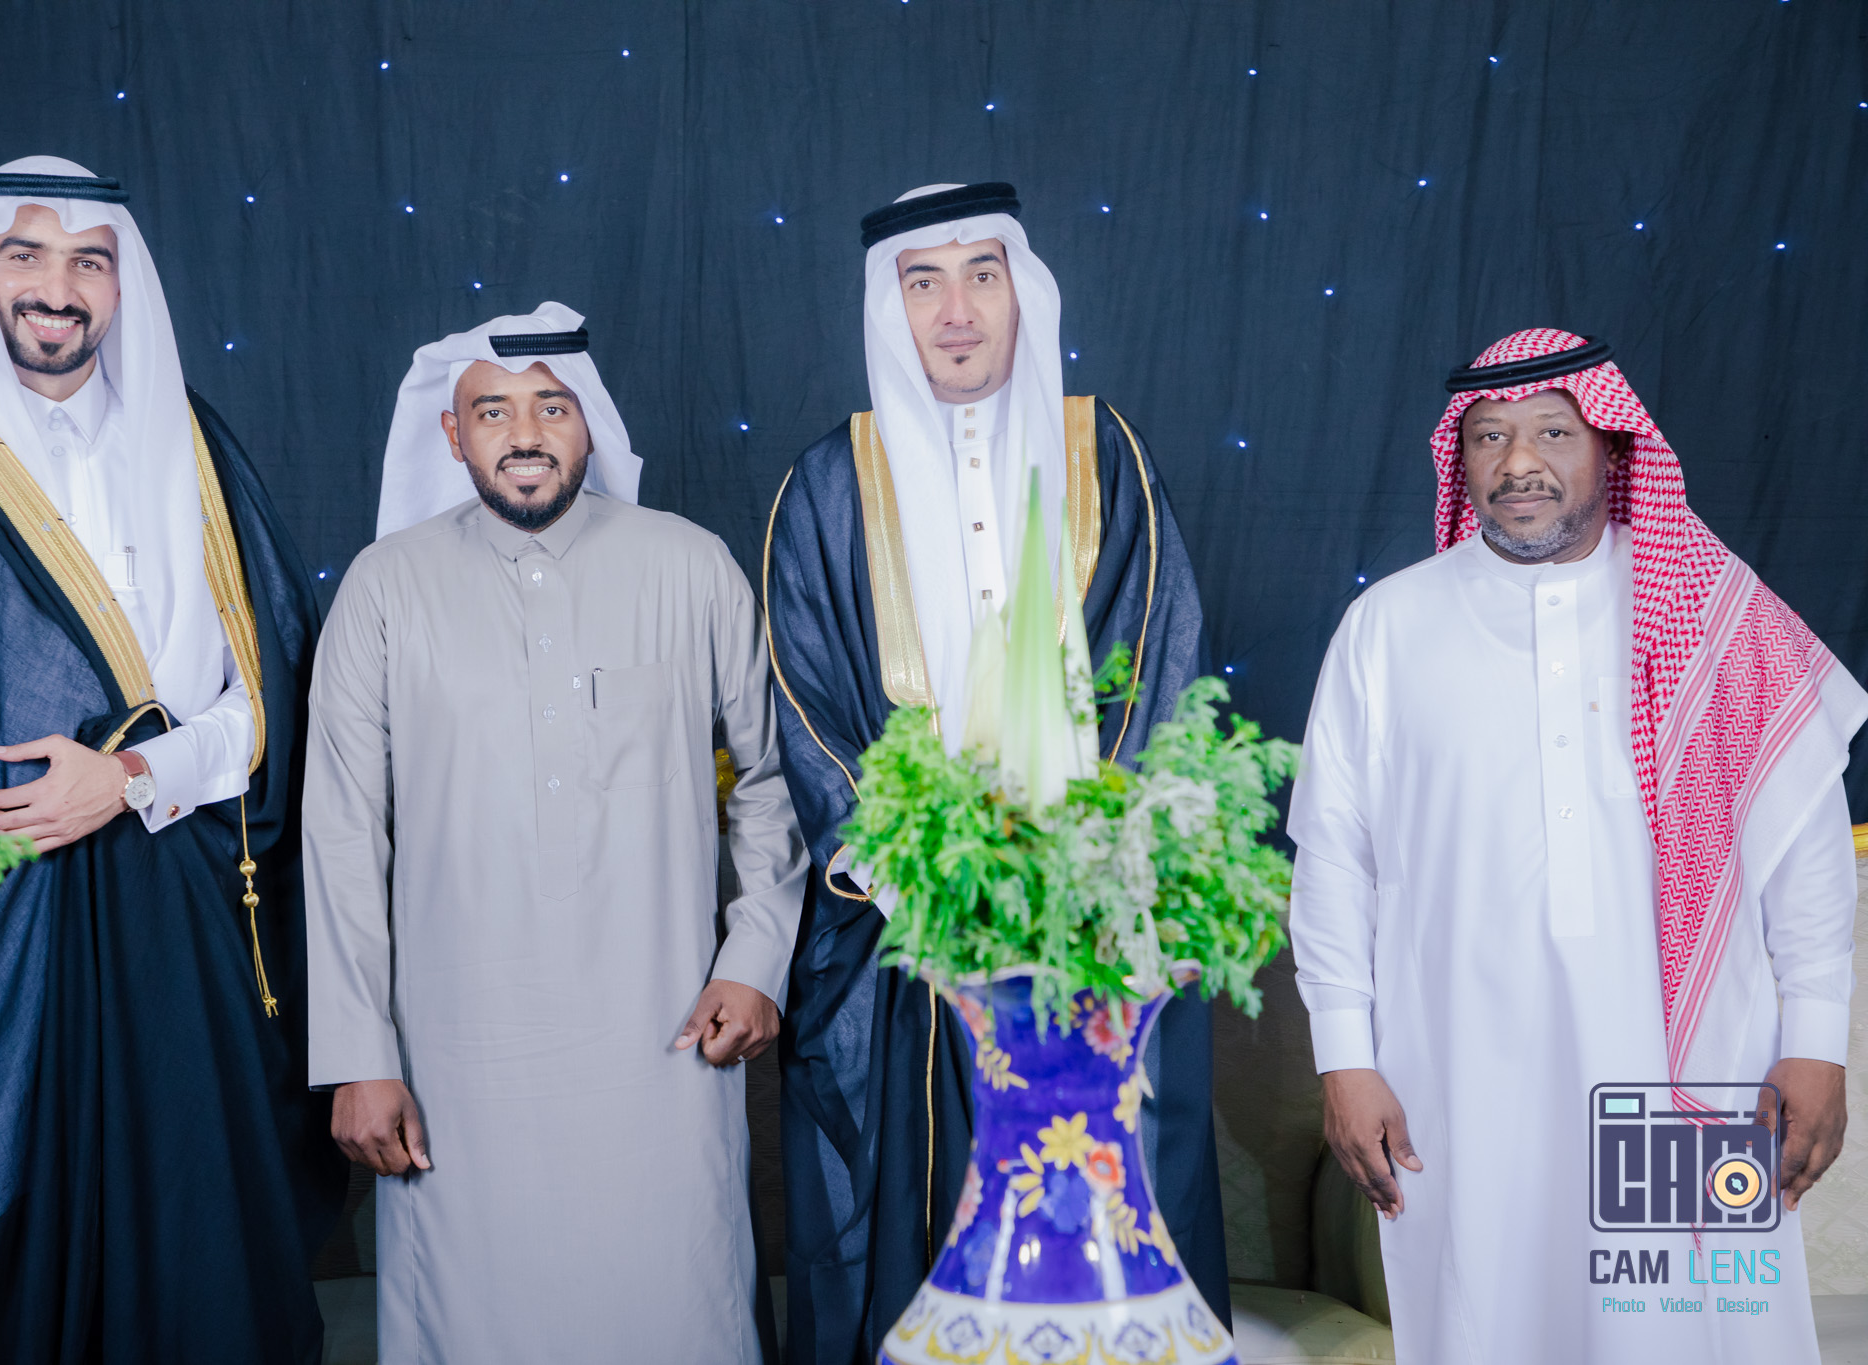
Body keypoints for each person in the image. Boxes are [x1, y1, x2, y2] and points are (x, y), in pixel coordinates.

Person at [0, 156, 343, 1360]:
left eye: (87, 262)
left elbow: (269, 696)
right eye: (26, 255)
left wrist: (134, 777)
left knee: (203, 1259)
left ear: (121, 283)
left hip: (182, 929)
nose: (56, 288)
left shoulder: (192, 445)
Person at [1289, 328, 1861, 1363]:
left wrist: (1817, 1039)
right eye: (1489, 436)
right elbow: (1334, 860)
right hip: (1457, 1068)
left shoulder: (1714, 617)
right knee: (1489, 1318)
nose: (1518, 462)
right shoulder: (1387, 627)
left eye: (1552, 431)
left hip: (1685, 1072)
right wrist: (1344, 1059)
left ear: (1611, 446)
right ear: (1458, 459)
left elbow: (1806, 848)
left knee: (1683, 1327)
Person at [764, 182, 1224, 1362]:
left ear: (1023, 292)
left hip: (1094, 921)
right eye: (922, 284)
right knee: (926, 1220)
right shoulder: (827, 485)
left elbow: (1159, 663)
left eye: (981, 276)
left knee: (1105, 1217)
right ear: (890, 311)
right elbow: (806, 706)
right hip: (912, 932)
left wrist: (1078, 869)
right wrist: (925, 874)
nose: (956, 312)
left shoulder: (1101, 454)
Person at [304, 303, 808, 1363]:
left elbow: (769, 781)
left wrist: (755, 960)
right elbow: (341, 832)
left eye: (551, 406)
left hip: (663, 1044)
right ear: (452, 435)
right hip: (453, 1059)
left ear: (591, 425)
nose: (524, 433)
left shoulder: (692, 565)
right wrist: (357, 1054)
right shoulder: (383, 588)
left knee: (674, 1304)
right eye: (492, 411)